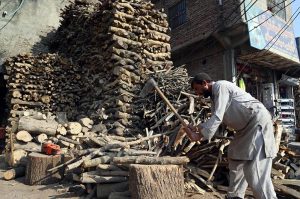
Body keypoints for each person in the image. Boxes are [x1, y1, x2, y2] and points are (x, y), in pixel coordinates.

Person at [184, 73, 277, 199]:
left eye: (197, 89)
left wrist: (198, 136)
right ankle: (235, 196)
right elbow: (214, 121)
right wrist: (196, 128)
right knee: (235, 158)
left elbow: (217, 117)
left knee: (255, 172)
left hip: (257, 122)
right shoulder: (214, 98)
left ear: (205, 83)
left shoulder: (221, 86)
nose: (197, 93)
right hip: (244, 130)